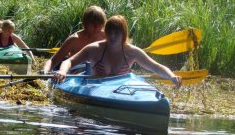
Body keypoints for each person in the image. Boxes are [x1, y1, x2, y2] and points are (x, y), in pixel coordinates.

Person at [52, 15, 182, 88]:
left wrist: (171, 76)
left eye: (117, 32)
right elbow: (69, 61)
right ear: (106, 32)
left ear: (124, 33)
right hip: (94, 88)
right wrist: (62, 71)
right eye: (110, 32)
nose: (113, 36)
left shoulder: (133, 52)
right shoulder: (94, 49)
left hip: (120, 90)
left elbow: (156, 67)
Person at [42, 5, 106, 73]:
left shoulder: (107, 37)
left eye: (99, 24)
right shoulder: (74, 40)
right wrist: (44, 71)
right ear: (86, 24)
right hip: (76, 75)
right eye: (93, 24)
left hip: (98, 74)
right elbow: (53, 60)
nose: (96, 27)